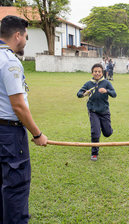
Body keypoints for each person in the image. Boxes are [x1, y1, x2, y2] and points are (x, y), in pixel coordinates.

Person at [0, 15, 48, 223]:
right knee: (16, 185)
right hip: (9, 134)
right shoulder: (10, 61)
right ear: (17, 35)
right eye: (26, 37)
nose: (26, 42)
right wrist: (37, 134)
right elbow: (18, 105)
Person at [77, 63, 117, 161]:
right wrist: (84, 93)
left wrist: (106, 91)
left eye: (99, 71)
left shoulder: (106, 83)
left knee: (107, 133)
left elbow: (114, 94)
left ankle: (108, 130)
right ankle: (94, 153)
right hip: (93, 111)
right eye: (95, 71)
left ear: (102, 72)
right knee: (95, 132)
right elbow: (78, 94)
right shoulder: (88, 83)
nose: (97, 73)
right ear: (92, 73)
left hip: (104, 111)